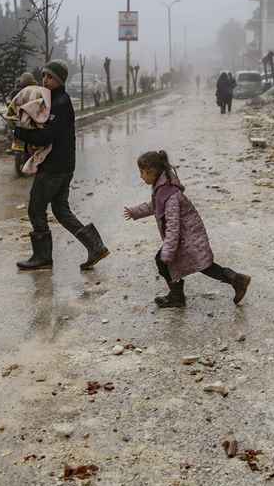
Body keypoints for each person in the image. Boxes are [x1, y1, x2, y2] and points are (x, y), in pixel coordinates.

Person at [13, 60, 109, 272]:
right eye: (44, 76)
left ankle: (42, 257)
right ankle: (96, 246)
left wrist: (20, 132)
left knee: (36, 210)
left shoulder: (60, 103)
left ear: (60, 80)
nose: (45, 80)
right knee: (61, 210)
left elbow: (47, 136)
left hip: (55, 167)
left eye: (50, 77)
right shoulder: (52, 100)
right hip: (63, 165)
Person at [123, 150, 250, 308]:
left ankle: (180, 296)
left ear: (152, 172)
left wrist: (168, 251)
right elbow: (155, 206)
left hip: (188, 238)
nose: (141, 176)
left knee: (185, 264)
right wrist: (135, 212)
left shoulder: (169, 195)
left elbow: (173, 226)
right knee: (203, 265)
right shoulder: (162, 188)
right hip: (187, 237)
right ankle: (236, 280)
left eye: (142, 172)